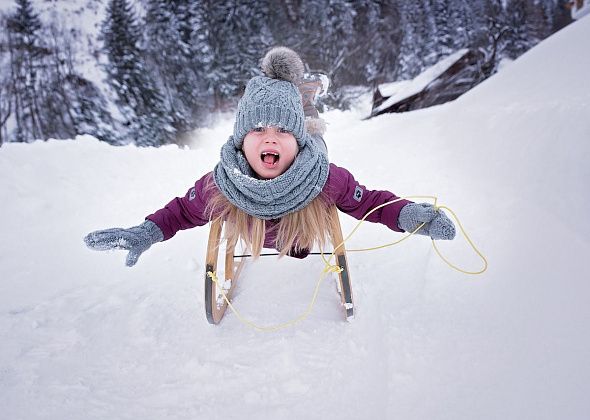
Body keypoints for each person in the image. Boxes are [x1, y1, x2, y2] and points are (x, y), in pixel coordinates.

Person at [84, 47, 456, 267]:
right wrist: (146, 232)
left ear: (296, 141)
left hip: (302, 209)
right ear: (241, 140)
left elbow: (371, 203)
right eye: (258, 131)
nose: (269, 139)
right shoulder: (222, 183)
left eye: (281, 132)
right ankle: (300, 98)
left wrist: (411, 216)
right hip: (265, 202)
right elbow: (182, 212)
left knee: (306, 126)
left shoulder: (324, 178)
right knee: (289, 119)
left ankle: (304, 104)